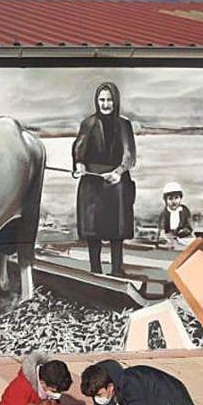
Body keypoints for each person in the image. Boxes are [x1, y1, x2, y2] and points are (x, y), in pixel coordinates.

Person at [73, 82, 137, 277]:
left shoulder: (124, 124)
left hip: (117, 183)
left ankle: (117, 270)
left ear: (115, 101)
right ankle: (95, 272)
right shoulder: (88, 123)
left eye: (109, 100)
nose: (106, 104)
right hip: (92, 185)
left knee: (116, 231)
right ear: (97, 101)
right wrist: (79, 166)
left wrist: (118, 172)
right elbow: (79, 151)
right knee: (94, 232)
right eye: (102, 100)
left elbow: (129, 155)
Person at [158, 182, 193, 247]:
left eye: (176, 198)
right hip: (169, 237)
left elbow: (189, 226)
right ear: (166, 200)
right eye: (170, 198)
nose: (173, 201)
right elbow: (162, 228)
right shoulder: (164, 213)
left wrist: (184, 231)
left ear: (180, 198)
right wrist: (165, 235)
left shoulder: (184, 211)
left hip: (183, 237)